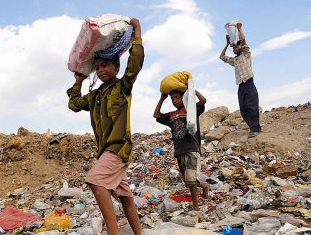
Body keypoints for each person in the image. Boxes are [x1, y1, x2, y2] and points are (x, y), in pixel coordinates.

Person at [67, 18, 143, 235]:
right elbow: (74, 104)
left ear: (116, 66)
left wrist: (137, 33)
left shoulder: (123, 87)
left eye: (105, 66)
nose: (100, 70)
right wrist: (78, 81)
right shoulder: (95, 96)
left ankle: (113, 232)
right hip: (105, 152)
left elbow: (135, 64)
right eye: (97, 67)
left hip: (118, 148)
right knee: (126, 197)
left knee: (95, 180)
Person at [153, 89, 209, 211]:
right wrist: (162, 98)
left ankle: (196, 206)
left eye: (177, 97)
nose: (174, 100)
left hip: (192, 148)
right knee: (188, 181)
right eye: (172, 98)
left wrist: (192, 90)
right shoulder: (171, 115)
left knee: (190, 179)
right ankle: (204, 186)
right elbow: (156, 115)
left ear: (183, 98)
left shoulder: (191, 110)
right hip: (179, 150)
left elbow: (203, 101)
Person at [219, 22, 261, 137]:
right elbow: (221, 57)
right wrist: (227, 44)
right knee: (243, 110)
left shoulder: (246, 54)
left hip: (249, 83)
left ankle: (255, 129)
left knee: (252, 107)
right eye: (233, 48)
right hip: (241, 86)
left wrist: (238, 28)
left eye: (236, 47)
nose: (234, 49)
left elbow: (244, 40)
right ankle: (255, 126)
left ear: (241, 47)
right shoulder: (235, 60)